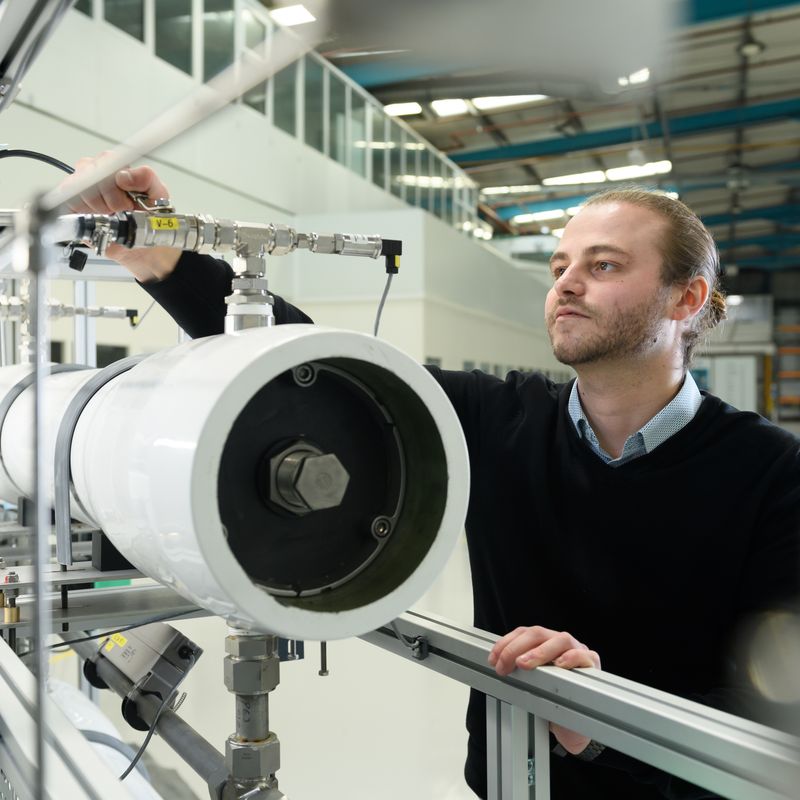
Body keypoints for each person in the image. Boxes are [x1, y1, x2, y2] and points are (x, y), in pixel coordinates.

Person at [63, 159, 800, 799]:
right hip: (512, 777)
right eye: (560, 266)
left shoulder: (771, 472)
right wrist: (164, 258)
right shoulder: (496, 417)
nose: (566, 284)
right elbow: (313, 369)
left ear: (687, 299)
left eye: (603, 266)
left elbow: (774, 707)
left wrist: (602, 714)